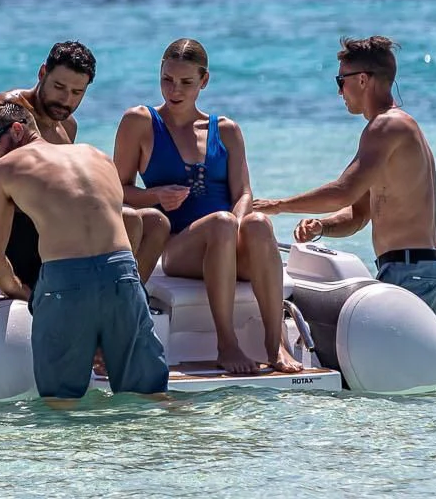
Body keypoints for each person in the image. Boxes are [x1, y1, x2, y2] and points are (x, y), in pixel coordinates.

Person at [113, 38, 301, 375]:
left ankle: (277, 344)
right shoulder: (140, 122)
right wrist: (156, 195)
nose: (174, 89)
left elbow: (243, 191)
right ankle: (226, 343)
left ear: (204, 81)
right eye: (167, 79)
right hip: (179, 250)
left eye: (186, 82)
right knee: (221, 224)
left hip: (228, 239)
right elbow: (118, 189)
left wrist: (237, 222)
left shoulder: (226, 130)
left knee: (257, 222)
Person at [0, 101, 169, 402]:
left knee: (60, 404)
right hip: (123, 276)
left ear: (17, 130)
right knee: (152, 397)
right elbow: (119, 224)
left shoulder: (4, 170)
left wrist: (23, 294)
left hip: (65, 281)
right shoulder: (97, 155)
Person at [0, 42, 169, 289]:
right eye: (59, 87)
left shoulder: (68, 127)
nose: (65, 99)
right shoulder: (7, 111)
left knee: (155, 223)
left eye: (76, 92)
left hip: (46, 226)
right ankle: (100, 297)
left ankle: (128, 297)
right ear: (42, 74)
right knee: (129, 220)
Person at [253, 36, 436, 314]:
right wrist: (323, 227)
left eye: (340, 81)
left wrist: (278, 205)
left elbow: (343, 191)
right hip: (414, 267)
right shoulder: (388, 129)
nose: (340, 92)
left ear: (363, 80)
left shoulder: (387, 126)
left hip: (411, 270)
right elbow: (358, 215)